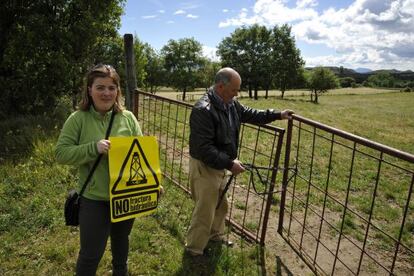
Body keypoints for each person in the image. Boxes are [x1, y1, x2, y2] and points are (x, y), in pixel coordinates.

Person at [185, 67, 294, 256]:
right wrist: (229, 164)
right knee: (205, 209)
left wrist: (277, 114)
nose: (238, 93)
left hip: (220, 163)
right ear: (220, 87)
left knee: (221, 204)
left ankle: (215, 236)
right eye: (235, 89)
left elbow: (251, 114)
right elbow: (204, 149)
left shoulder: (231, 104)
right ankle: (194, 249)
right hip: (205, 166)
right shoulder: (203, 110)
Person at [55, 64, 142, 275]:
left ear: (118, 91)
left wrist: (153, 184)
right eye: (100, 87)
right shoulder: (77, 119)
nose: (106, 93)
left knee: (121, 246)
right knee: (91, 254)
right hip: (94, 198)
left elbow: (141, 154)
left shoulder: (128, 118)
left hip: (124, 197)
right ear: (89, 89)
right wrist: (93, 148)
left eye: (112, 87)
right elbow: (61, 153)